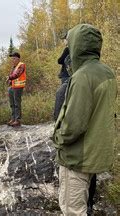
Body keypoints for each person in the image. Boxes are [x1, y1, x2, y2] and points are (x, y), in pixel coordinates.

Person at [53, 24, 117, 215]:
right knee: (82, 206)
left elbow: (74, 124)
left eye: (70, 42)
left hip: (76, 157)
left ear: (77, 46)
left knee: (72, 210)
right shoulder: (107, 73)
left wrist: (57, 138)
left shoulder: (81, 76)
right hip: (95, 154)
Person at [6, 52, 26, 127]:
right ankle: (13, 118)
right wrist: (9, 81)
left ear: (18, 58)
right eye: (12, 59)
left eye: (14, 58)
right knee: (12, 104)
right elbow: (11, 75)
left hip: (18, 87)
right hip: (12, 86)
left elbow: (17, 74)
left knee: (17, 104)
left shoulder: (21, 65)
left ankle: (17, 120)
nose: (12, 60)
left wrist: (9, 77)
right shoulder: (14, 66)